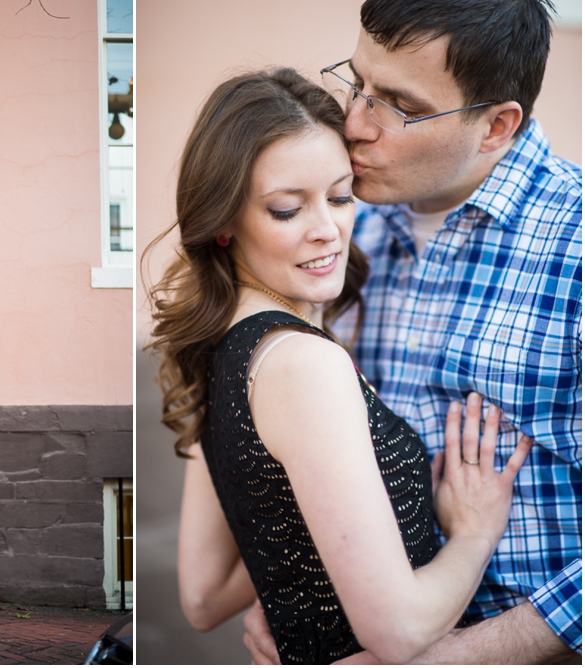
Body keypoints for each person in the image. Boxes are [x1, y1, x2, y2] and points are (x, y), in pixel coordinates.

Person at [146, 66, 532, 664]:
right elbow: (398, 633)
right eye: (284, 210)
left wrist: (317, 555)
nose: (328, 231)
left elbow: (206, 596)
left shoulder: (223, 353)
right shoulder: (304, 366)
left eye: (340, 196)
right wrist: (476, 533)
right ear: (223, 222)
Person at [240, 0, 581, 664]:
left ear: (495, 126)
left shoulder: (575, 245)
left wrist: (456, 656)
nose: (354, 124)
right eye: (356, 83)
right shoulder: (345, 229)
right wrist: (283, 585)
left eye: (397, 105)